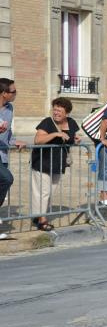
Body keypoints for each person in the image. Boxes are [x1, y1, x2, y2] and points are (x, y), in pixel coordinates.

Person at [31, 98, 79, 231]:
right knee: (43, 192)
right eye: (55, 109)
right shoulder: (47, 122)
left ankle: (38, 215)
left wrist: (76, 140)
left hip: (58, 163)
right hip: (42, 162)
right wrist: (55, 134)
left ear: (67, 113)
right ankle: (42, 220)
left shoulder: (72, 123)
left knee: (50, 192)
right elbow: (38, 140)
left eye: (59, 110)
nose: (56, 112)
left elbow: (70, 138)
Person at [0, 78, 25, 238]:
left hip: (3, 154)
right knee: (7, 179)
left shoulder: (9, 108)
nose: (16, 93)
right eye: (13, 91)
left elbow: (8, 132)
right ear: (4, 93)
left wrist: (14, 141)